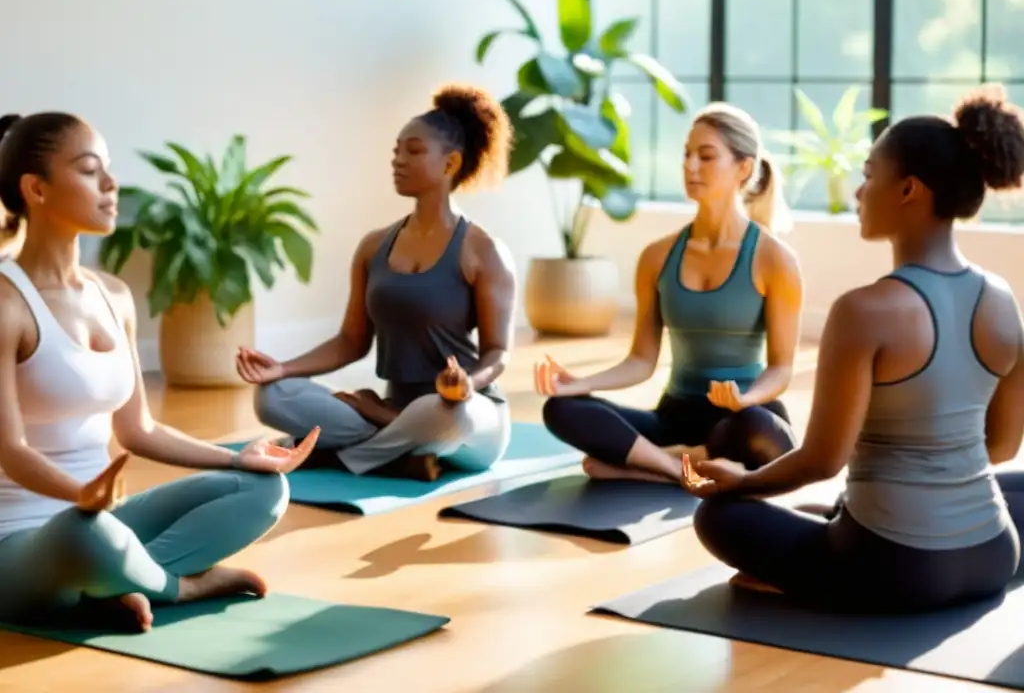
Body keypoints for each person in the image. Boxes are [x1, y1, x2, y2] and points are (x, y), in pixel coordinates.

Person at [685, 85, 1024, 615]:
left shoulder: (863, 311)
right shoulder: (1004, 300)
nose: (860, 192)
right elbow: (1001, 448)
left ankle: (811, 574)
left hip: (895, 568)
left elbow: (822, 460)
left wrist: (746, 480)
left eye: (869, 176)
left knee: (719, 515)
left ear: (909, 189)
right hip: (994, 556)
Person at [0, 112, 320, 633]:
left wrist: (239, 457)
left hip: (101, 522)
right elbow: (10, 451)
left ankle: (114, 583)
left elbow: (139, 430)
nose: (110, 184)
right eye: (88, 170)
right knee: (83, 536)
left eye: (108, 168)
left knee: (262, 491)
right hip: (18, 541)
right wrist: (79, 495)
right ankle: (180, 585)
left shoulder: (114, 297)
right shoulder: (6, 302)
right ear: (36, 188)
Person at [237, 83, 516, 482]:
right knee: (273, 396)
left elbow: (498, 353)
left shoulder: (483, 251)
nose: (398, 161)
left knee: (445, 413)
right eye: (396, 151)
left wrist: (465, 385)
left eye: (414, 151)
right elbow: (351, 342)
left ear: (451, 163)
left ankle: (335, 453)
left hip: (463, 417)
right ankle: (395, 448)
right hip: (394, 414)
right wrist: (281, 368)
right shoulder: (373, 247)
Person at [535, 102, 803, 484]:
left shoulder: (775, 260)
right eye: (687, 155)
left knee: (766, 434)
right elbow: (642, 360)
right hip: (674, 415)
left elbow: (781, 368)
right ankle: (674, 468)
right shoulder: (657, 257)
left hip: (740, 417)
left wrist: (745, 398)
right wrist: (582, 383)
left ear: (743, 168)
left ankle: (645, 465)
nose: (690, 166)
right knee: (561, 409)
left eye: (706, 156)